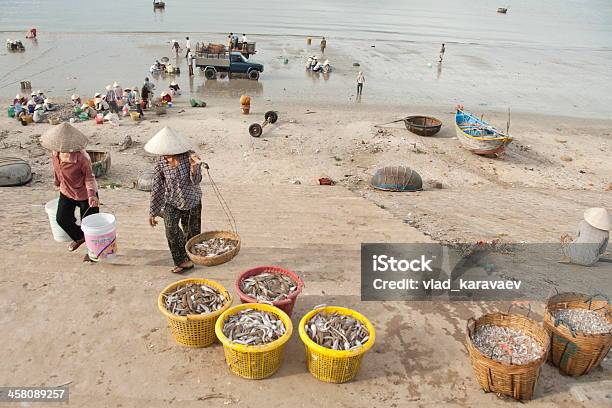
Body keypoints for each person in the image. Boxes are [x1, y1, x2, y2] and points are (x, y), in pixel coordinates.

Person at [145, 127, 208, 274]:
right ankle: (181, 260)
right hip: (171, 200)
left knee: (192, 234)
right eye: (164, 154)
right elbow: (157, 186)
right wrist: (153, 211)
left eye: (169, 154)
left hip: (192, 200)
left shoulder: (189, 157)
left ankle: (191, 258)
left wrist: (194, 167)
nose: (167, 157)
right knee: (171, 230)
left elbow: (197, 181)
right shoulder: (160, 162)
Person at [40, 123, 100, 257]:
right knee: (61, 218)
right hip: (66, 191)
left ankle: (93, 253)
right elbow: (57, 169)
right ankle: (79, 237)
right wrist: (57, 181)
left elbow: (90, 178)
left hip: (85, 194)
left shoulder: (82, 158)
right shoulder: (55, 153)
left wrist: (92, 195)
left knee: (90, 225)